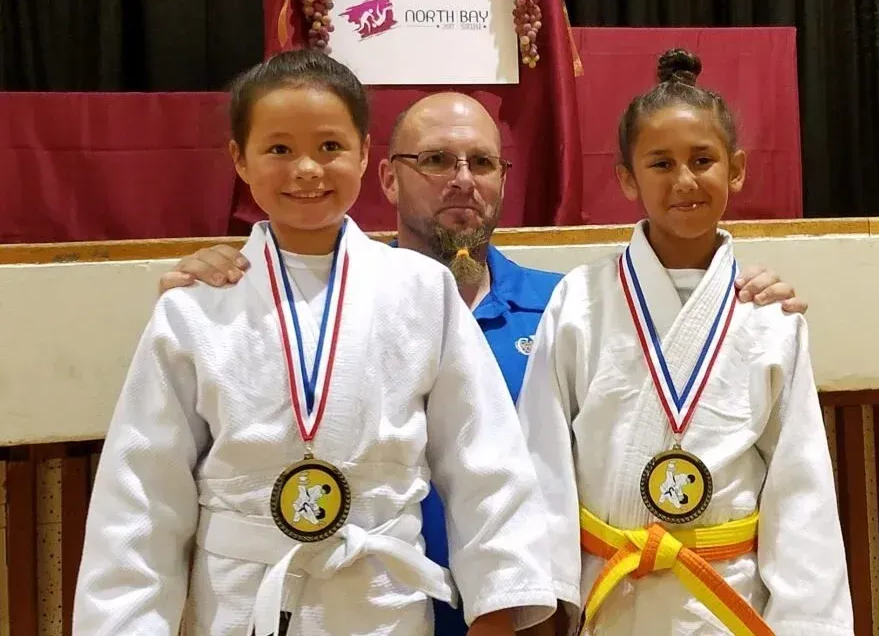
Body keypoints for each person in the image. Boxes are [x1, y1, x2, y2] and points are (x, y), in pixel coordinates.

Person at [159, 91, 810, 635]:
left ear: (505, 179)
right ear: (385, 175)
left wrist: (738, 298)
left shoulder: (571, 309)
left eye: (482, 162)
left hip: (528, 617)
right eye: (436, 160)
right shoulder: (309, 309)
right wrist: (220, 292)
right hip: (372, 608)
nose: (462, 179)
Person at [74, 50, 557, 636]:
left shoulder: (421, 291)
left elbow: (487, 464)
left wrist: (497, 607)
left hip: (383, 605)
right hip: (241, 604)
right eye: (279, 148)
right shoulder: (196, 307)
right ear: (240, 160)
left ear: (363, 155)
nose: (306, 168)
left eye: (330, 147)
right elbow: (142, 497)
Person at [516, 49, 853, 635]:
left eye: (703, 160)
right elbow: (543, 460)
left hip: (726, 601)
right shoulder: (581, 300)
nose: (685, 181)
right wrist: (544, 601)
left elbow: (800, 487)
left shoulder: (769, 316)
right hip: (610, 589)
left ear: (737, 168)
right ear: (626, 177)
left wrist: (808, 623)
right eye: (660, 163)